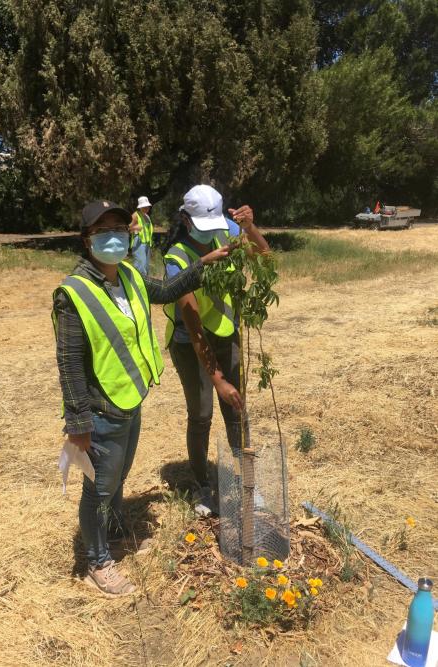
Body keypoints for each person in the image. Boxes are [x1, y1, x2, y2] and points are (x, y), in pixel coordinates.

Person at [52, 198, 229, 597]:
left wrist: (204, 264)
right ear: (86, 241)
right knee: (98, 488)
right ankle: (98, 560)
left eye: (119, 229)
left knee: (117, 479)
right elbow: (69, 365)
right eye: (102, 232)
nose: (114, 237)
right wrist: (78, 423)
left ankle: (114, 535)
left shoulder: (129, 274)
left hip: (129, 398)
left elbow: (166, 290)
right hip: (100, 410)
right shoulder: (72, 293)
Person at [163, 184, 270, 516]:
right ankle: (202, 485)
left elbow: (265, 258)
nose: (211, 235)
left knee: (236, 409)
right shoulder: (176, 258)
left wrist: (250, 227)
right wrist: (217, 379)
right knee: (202, 414)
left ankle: (248, 481)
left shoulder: (224, 233)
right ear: (185, 219)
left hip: (227, 335)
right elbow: (193, 322)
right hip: (189, 343)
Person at [130, 195, 154, 274]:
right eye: (144, 206)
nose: (146, 208)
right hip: (138, 243)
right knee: (140, 267)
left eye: (147, 206)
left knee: (146, 267)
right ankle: (138, 285)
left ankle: (146, 285)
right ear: (140, 207)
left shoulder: (147, 216)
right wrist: (135, 227)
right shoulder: (135, 215)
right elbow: (127, 228)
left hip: (147, 244)